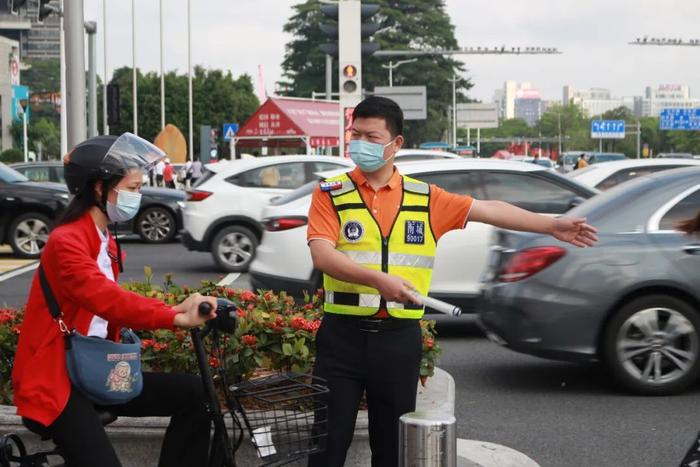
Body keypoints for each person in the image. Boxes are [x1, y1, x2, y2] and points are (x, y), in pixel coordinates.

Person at [306, 96, 598, 467]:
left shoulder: (425, 198)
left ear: (395, 144)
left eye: (371, 136)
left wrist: (552, 225)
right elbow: (323, 256)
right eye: (355, 134)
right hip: (341, 338)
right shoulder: (331, 193)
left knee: (392, 450)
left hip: (398, 342)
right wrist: (378, 280)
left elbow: (488, 209)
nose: (360, 144)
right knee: (326, 446)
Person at [11, 133, 218, 467]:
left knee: (194, 395)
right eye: (132, 189)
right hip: (58, 381)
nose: (138, 196)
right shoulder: (67, 241)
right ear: (98, 188)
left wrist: (177, 306)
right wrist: (172, 317)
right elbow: (105, 298)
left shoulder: (104, 237)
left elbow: (114, 302)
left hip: (95, 370)